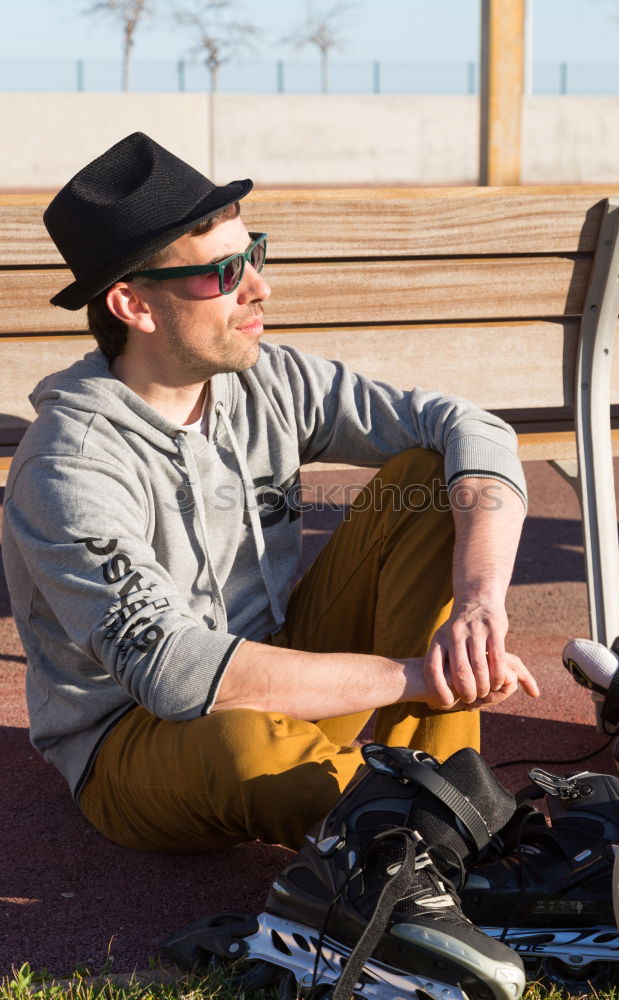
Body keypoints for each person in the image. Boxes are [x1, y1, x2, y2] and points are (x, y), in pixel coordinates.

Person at [2, 131, 539, 856]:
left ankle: (451, 801)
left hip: (291, 666)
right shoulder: (68, 464)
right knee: (245, 746)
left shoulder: (265, 380)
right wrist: (415, 673)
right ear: (134, 304)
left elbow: (468, 426)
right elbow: (176, 672)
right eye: (224, 271)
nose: (259, 286)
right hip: (136, 738)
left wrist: (477, 608)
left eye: (254, 252)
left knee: (426, 474)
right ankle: (425, 834)